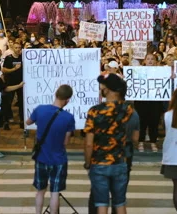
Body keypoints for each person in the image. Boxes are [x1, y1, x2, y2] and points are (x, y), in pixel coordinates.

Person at [84, 73, 136, 214]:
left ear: (107, 89)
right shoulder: (128, 109)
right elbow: (134, 136)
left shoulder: (94, 111)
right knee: (120, 203)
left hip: (99, 162)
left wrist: (88, 163)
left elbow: (89, 143)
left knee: (101, 204)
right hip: (119, 161)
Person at [26, 85, 76, 214]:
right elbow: (65, 142)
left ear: (56, 94)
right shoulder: (69, 118)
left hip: (41, 157)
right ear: (67, 99)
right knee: (54, 192)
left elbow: (28, 122)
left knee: (40, 191)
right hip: (58, 159)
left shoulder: (40, 110)